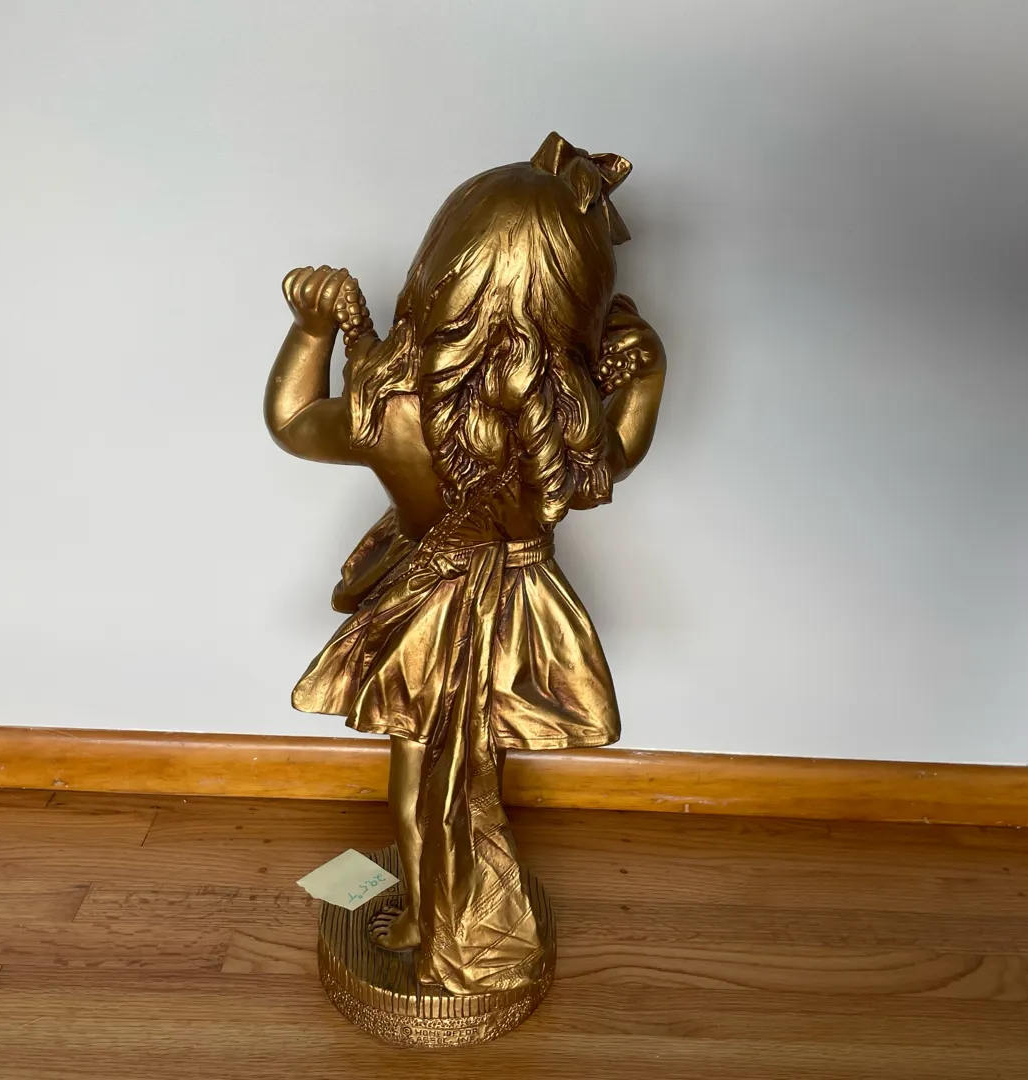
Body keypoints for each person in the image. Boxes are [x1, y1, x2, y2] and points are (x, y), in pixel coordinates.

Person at [264, 133, 666, 995]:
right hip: (519, 604)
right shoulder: (565, 411)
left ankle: (428, 913)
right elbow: (620, 458)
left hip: (432, 608)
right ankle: (449, 897)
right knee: (475, 765)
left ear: (440, 266)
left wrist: (310, 330)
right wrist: (647, 377)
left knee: (420, 768)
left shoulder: (391, 402)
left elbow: (293, 422)